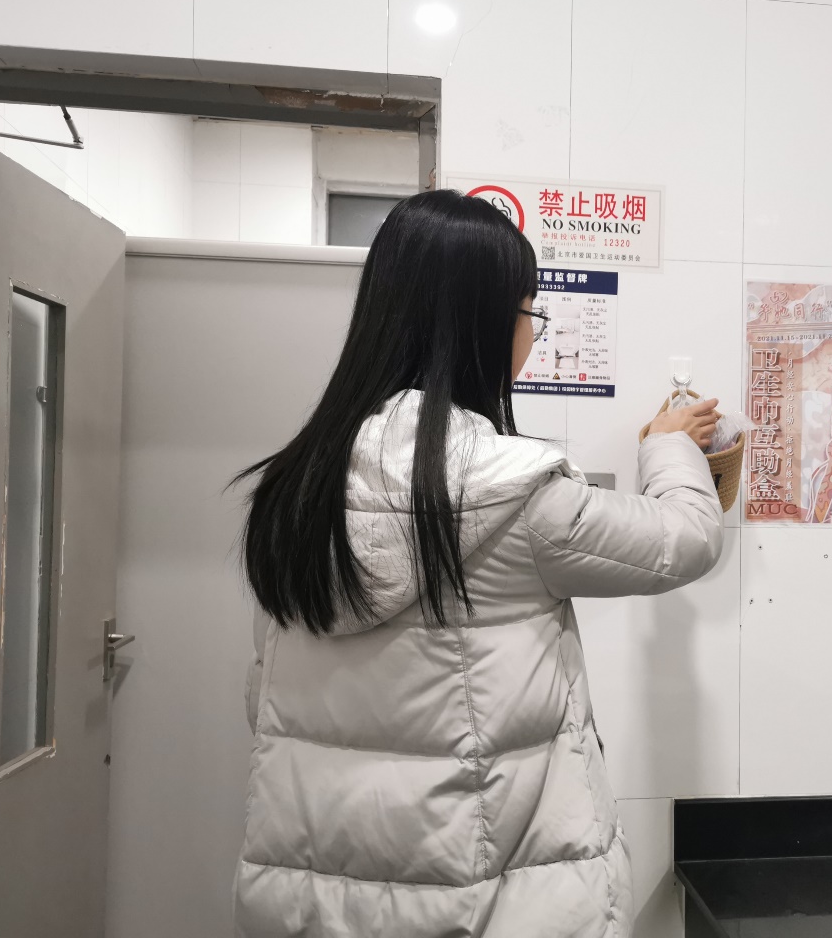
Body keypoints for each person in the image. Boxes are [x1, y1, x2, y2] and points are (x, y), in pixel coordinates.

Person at [232, 189, 724, 938]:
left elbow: (261, 697)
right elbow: (686, 538)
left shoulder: (299, 487)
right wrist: (668, 444)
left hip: (315, 900)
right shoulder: (513, 492)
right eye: (530, 312)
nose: (532, 332)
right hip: (488, 908)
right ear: (484, 323)